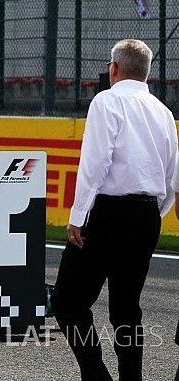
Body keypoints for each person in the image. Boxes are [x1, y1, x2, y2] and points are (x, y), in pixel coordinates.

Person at [52, 39, 178, 381]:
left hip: (108, 212)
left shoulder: (106, 102)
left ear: (114, 69)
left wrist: (78, 216)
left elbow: (94, 164)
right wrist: (155, 212)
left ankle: (96, 376)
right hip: (147, 214)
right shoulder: (164, 112)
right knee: (126, 309)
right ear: (147, 74)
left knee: (68, 302)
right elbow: (171, 174)